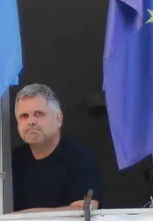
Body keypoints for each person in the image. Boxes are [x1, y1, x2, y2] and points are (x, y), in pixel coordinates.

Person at [11, 83, 103, 213]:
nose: (31, 121)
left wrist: (17, 217)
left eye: (38, 114)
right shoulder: (11, 162)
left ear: (58, 119)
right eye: (24, 116)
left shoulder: (79, 156)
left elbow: (86, 209)